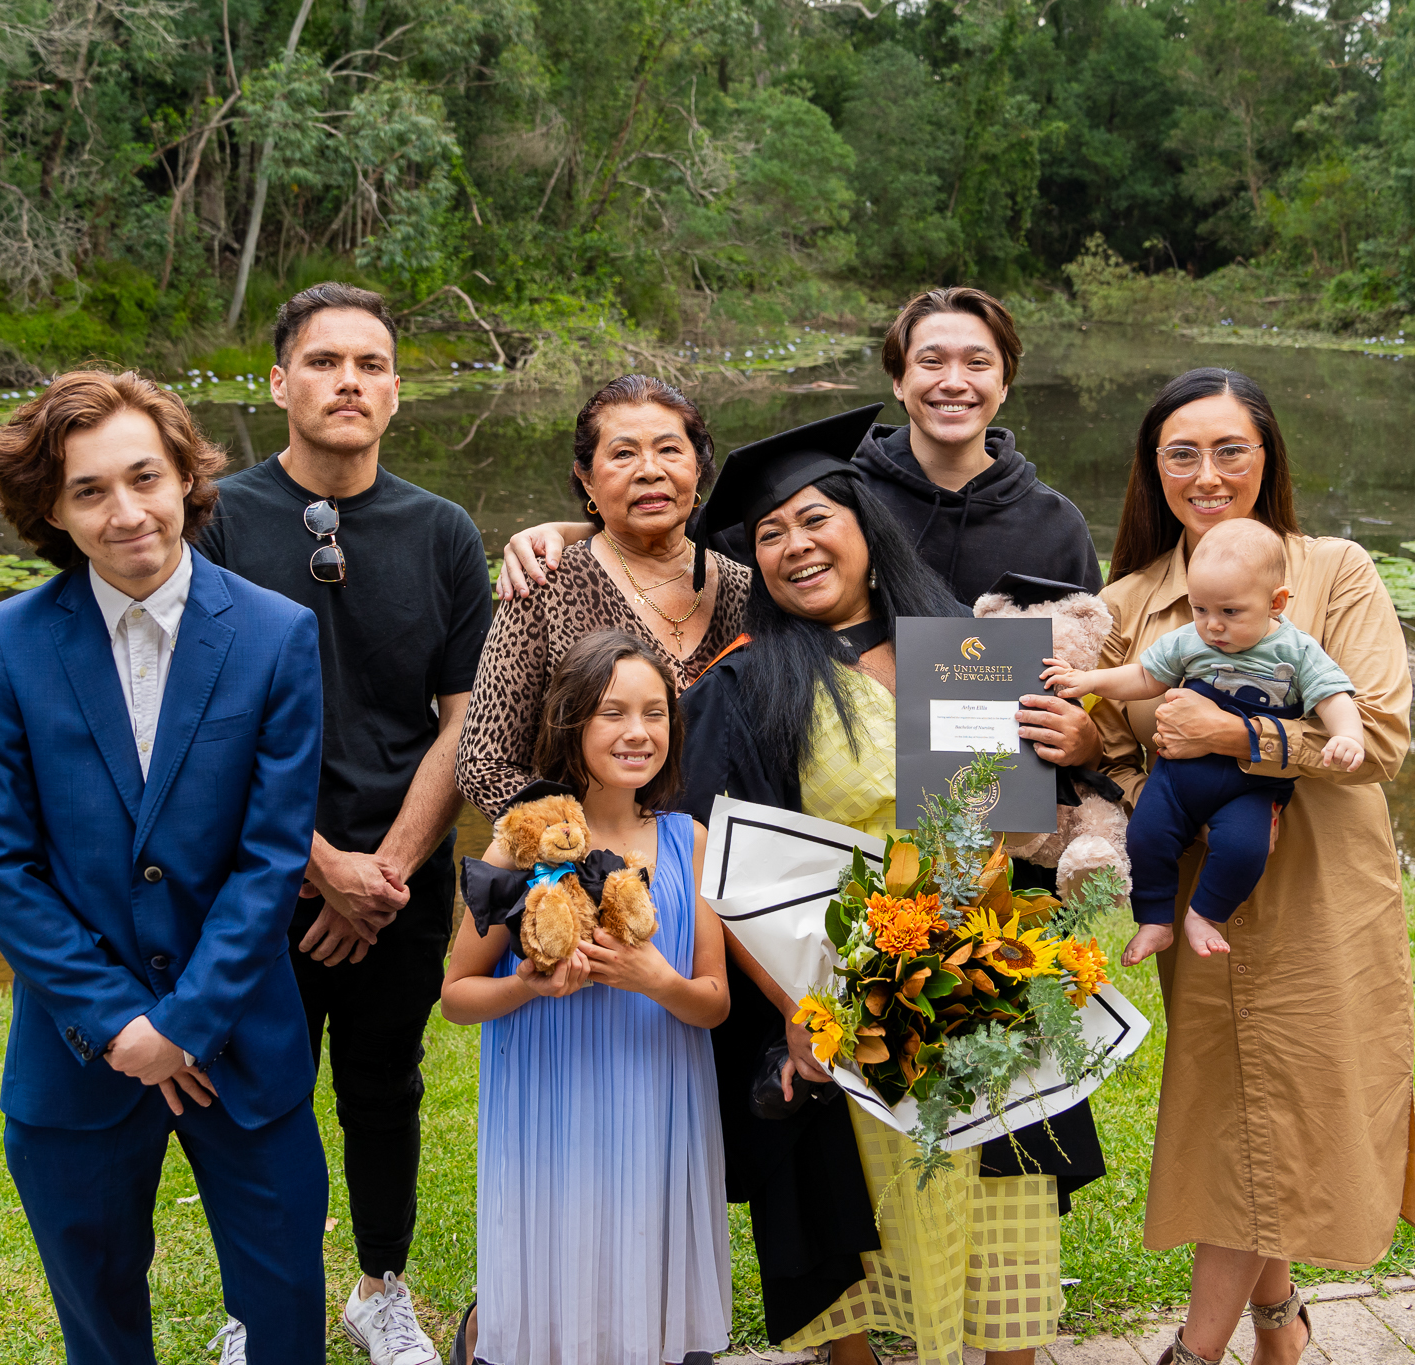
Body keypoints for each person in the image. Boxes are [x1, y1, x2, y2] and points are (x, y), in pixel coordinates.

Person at [676, 405, 1095, 1365]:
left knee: (1001, 1230)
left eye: (816, 518)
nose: (795, 545)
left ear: (866, 522)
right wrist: (800, 1010)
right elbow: (727, 866)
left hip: (974, 982)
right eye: (771, 533)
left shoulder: (962, 647)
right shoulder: (747, 685)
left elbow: (1003, 831)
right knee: (843, 1230)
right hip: (827, 991)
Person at [0, 370, 327, 1364]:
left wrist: (185, 1023)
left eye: (144, 478)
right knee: (101, 1325)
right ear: (51, 508)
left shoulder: (276, 635)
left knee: (287, 1310)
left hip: (242, 1044)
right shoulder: (4, 645)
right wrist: (121, 1022)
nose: (127, 514)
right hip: (78, 1055)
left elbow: (270, 857)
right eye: (90, 491)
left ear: (183, 479)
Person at [1088, 368, 1415, 1365]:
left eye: (1229, 449)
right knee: (1239, 1116)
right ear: (1152, 470)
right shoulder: (1126, 602)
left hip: (1317, 896)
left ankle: (1191, 1356)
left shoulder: (1331, 572)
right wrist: (1077, 744)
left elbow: (1384, 740)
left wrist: (1234, 733)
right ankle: (1280, 1326)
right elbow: (1112, 759)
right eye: (1180, 453)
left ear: (1265, 457)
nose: (1206, 472)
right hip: (1199, 896)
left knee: (1259, 1117)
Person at [193, 282, 493, 1365]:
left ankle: (379, 1288)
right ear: (279, 383)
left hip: (403, 878)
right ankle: (257, 1304)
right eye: (323, 363)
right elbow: (204, 728)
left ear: (396, 391)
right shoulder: (215, 521)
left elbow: (464, 717)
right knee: (258, 1090)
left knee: (384, 1086)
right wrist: (319, 871)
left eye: (369, 365)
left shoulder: (441, 532)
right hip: (258, 874)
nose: (348, 382)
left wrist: (389, 873)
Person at [442, 631, 732, 1365]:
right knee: (560, 1242)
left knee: (639, 1240)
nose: (638, 731)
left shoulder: (687, 839)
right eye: (613, 712)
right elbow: (456, 995)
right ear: (571, 721)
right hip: (551, 1095)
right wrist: (522, 983)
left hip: (655, 1094)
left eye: (655, 712)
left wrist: (655, 979)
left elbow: (712, 1000)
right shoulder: (519, 841)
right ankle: (498, 1340)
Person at [496, 287, 1102, 608]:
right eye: (930, 361)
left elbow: (1085, 669)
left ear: (1005, 382)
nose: (953, 382)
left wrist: (1081, 736)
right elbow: (684, 540)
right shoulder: (832, 482)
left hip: (991, 799)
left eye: (977, 363)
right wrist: (568, 531)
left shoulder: (1056, 527)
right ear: (898, 380)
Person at [1051, 518, 1365, 961]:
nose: (1212, 625)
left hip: (1249, 785)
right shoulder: (1188, 640)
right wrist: (1089, 680)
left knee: (1244, 847)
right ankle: (1155, 920)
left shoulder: (1297, 652)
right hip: (1178, 777)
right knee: (1146, 836)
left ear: (1275, 603)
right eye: (1200, 610)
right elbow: (1143, 675)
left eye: (1230, 612)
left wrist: (1348, 735)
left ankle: (1204, 913)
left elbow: (1332, 695)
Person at [454, 374, 749, 817]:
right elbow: (483, 764)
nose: (650, 470)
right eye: (623, 453)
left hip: (727, 866)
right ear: (587, 479)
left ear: (699, 466)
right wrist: (589, 843)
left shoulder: (745, 590)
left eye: (669, 450)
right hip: (588, 870)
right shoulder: (544, 584)